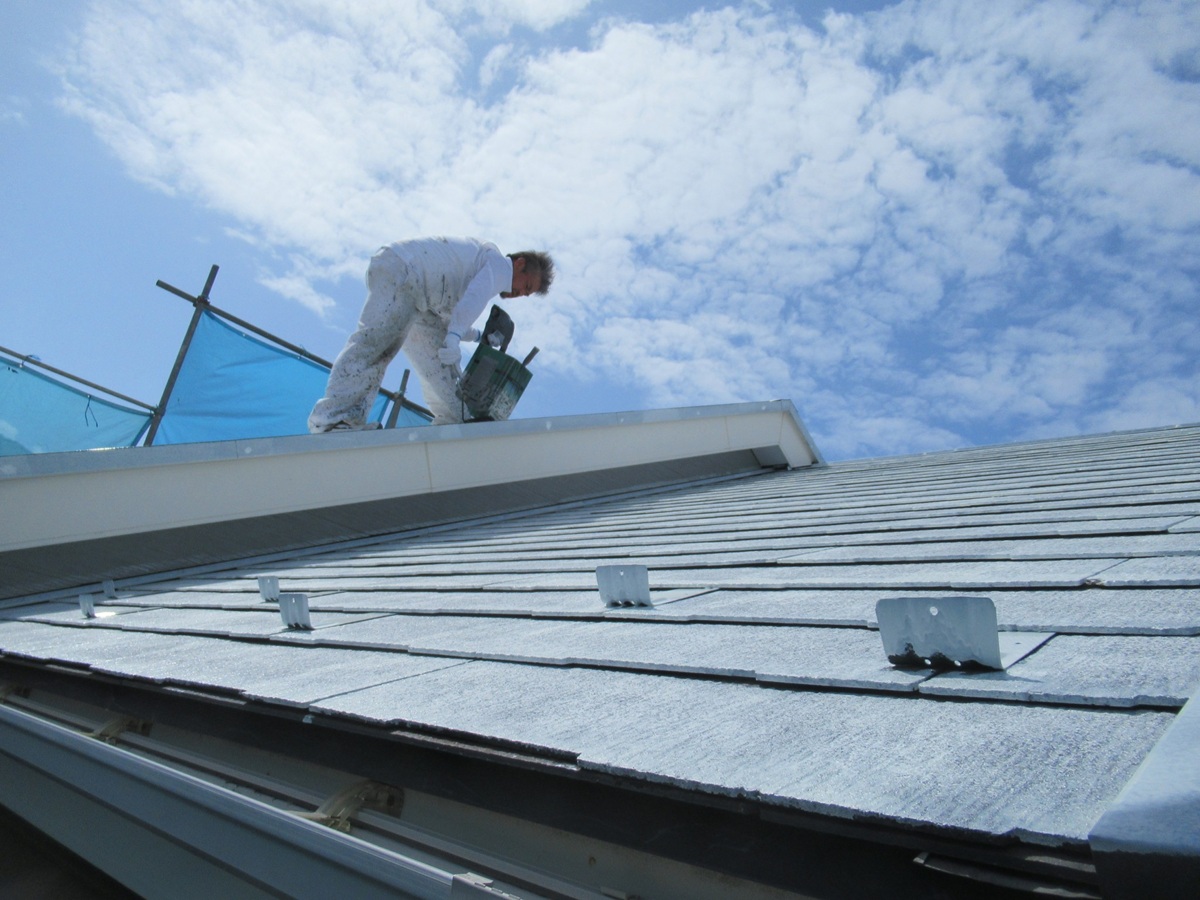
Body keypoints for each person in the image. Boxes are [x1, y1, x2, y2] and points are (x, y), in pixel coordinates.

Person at [308, 237, 554, 431]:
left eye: (526, 294)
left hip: (421, 303)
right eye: (526, 286)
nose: (519, 293)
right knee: (377, 344)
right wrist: (455, 337)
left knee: (447, 384)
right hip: (405, 271)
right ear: (520, 263)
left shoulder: (475, 274)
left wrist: (476, 336)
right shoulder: (497, 265)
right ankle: (335, 420)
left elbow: (453, 318)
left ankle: (448, 433)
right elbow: (475, 298)